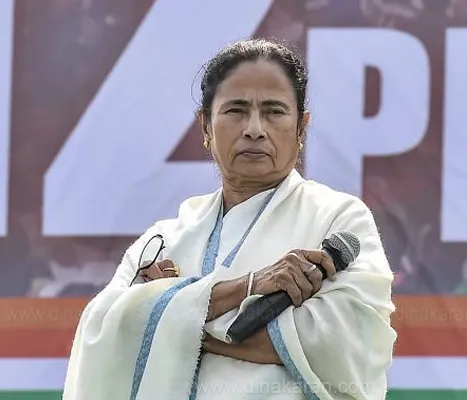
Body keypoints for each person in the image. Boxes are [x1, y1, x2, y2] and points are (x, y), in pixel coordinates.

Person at [62, 38, 397, 400]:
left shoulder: (337, 219)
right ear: (205, 126)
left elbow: (345, 344)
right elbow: (103, 328)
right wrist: (249, 286)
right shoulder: (164, 240)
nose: (254, 128)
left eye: (274, 111)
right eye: (236, 110)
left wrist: (165, 315)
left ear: (302, 127)